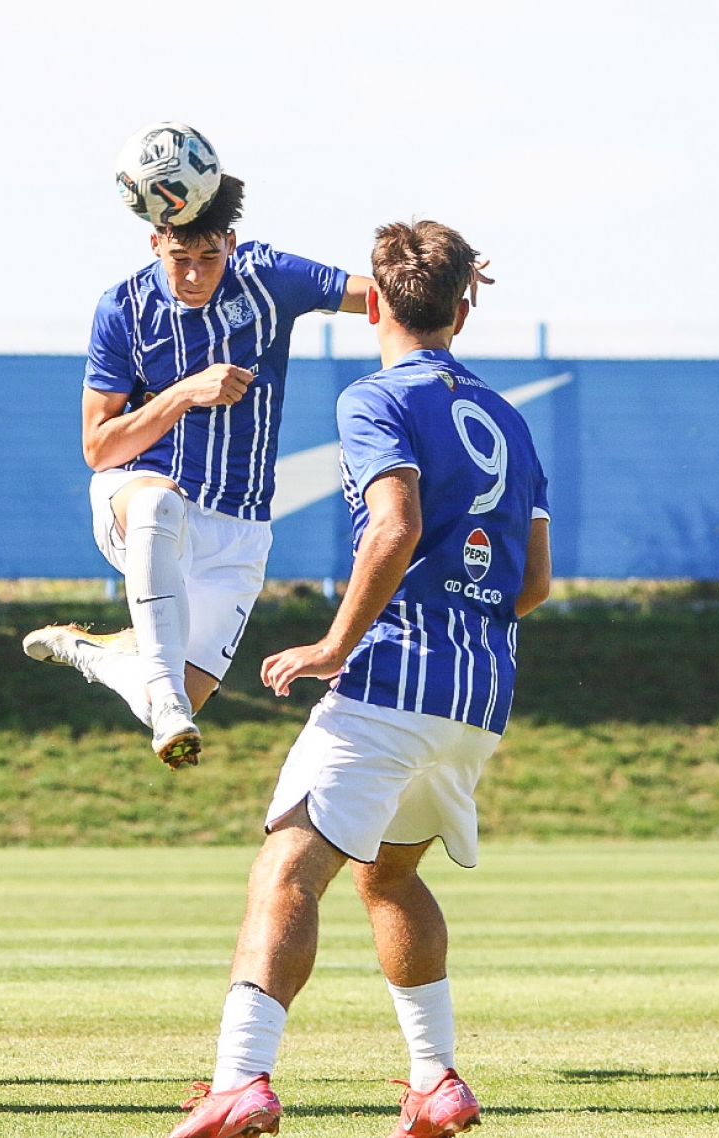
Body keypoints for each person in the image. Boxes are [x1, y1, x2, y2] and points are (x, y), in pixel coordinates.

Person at [165, 220, 550, 1138]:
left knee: (287, 869)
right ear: (463, 311)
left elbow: (395, 524)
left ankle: (240, 1081)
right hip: (479, 693)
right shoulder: (509, 417)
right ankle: (436, 1080)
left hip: (393, 678)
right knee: (388, 877)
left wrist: (335, 644)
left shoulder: (374, 398)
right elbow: (533, 583)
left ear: (373, 302)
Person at [23, 165, 373, 767]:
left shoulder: (267, 277)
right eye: (179, 258)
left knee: (178, 700)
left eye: (209, 257)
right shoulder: (123, 308)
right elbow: (98, 449)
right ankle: (165, 698)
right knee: (158, 503)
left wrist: (440, 278)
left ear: (231, 244)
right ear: (154, 242)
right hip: (138, 500)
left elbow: (375, 296)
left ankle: (97, 656)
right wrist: (185, 393)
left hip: (238, 528)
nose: (193, 274)